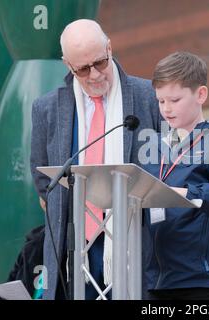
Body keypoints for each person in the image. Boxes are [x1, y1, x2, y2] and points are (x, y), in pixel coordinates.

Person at [30, 19, 161, 300]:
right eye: (82, 69)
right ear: (67, 65)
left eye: (100, 62)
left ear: (110, 48)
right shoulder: (47, 109)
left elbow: (168, 168)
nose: (94, 75)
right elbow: (43, 178)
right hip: (75, 242)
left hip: (135, 241)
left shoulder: (149, 96)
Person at [142, 51, 209, 300]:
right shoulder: (155, 145)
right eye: (160, 101)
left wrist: (188, 194)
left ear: (200, 94)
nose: (166, 109)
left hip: (203, 281)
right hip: (158, 279)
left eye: (175, 100)